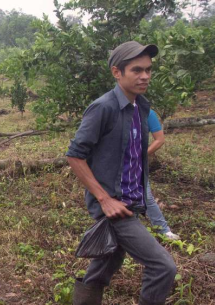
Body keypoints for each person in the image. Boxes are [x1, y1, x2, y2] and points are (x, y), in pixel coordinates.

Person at [66, 41, 176, 305]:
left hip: (132, 203)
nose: (145, 76)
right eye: (137, 70)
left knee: (102, 268)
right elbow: (74, 154)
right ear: (117, 72)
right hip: (116, 207)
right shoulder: (103, 107)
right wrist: (104, 199)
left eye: (148, 70)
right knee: (163, 267)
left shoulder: (141, 107)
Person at [145, 109, 180, 240]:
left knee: (146, 196)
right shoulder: (112, 108)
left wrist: (140, 156)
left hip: (136, 164)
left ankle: (163, 230)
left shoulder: (147, 112)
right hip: (112, 162)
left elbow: (159, 139)